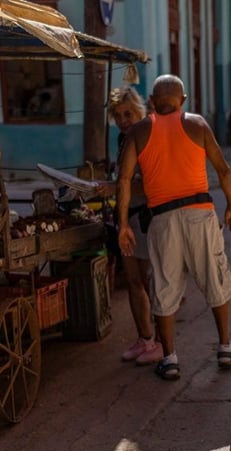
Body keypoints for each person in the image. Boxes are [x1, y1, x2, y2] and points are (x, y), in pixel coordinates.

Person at [115, 75, 231, 380]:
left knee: (165, 287)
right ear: (182, 100)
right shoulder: (197, 124)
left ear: (152, 102)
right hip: (200, 214)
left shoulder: (139, 131)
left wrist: (123, 224)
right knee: (215, 280)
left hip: (162, 219)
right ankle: (225, 348)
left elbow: (124, 181)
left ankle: (170, 359)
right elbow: (224, 170)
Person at [93, 87, 163, 365]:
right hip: (127, 217)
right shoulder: (124, 138)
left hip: (146, 217)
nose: (123, 120)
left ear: (139, 111)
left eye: (128, 114)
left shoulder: (147, 136)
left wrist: (115, 187)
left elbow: (150, 184)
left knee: (151, 283)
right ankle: (145, 339)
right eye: (118, 115)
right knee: (134, 282)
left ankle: (162, 343)